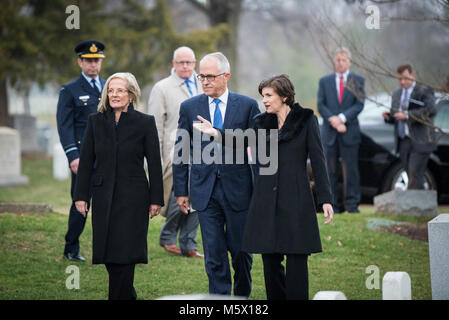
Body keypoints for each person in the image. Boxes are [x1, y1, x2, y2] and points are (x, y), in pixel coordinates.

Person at [195, 74, 334, 300]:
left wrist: (325, 199)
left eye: (269, 96)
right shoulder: (262, 122)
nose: (265, 101)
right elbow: (241, 140)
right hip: (266, 202)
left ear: (285, 96)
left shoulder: (306, 119)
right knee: (270, 260)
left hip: (296, 200)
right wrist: (216, 133)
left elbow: (318, 160)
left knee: (297, 258)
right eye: (263, 96)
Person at [172, 52, 260, 297]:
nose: (205, 81)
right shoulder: (190, 107)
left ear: (226, 76)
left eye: (211, 76)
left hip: (239, 189)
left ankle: (241, 298)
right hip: (205, 191)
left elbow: (258, 144)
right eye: (202, 76)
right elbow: (181, 152)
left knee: (241, 252)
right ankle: (219, 300)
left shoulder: (247, 106)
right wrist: (181, 191)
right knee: (213, 253)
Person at [73, 72, 164, 300]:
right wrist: (81, 196)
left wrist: (156, 199)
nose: (114, 95)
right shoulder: (95, 121)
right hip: (103, 197)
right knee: (109, 255)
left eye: (120, 90)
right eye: (111, 90)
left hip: (133, 198)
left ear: (131, 95)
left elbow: (154, 163)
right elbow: (85, 162)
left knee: (125, 254)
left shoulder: (145, 122)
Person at [147, 46, 203, 258]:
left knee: (199, 195)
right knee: (179, 195)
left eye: (189, 62)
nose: (185, 66)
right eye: (181, 62)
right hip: (174, 152)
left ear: (195, 63)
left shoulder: (202, 83)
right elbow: (155, 127)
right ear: (173, 64)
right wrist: (159, 158)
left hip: (202, 151)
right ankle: (169, 236)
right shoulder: (162, 88)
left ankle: (189, 243)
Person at [57, 40, 106, 262]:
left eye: (97, 60)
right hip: (82, 158)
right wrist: (72, 156)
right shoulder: (70, 90)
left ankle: (106, 249)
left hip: (106, 158)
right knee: (80, 204)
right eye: (89, 60)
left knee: (107, 204)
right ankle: (71, 248)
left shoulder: (108, 87)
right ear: (80, 62)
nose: (93, 65)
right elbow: (65, 125)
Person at [317, 47, 365, 213]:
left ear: (349, 62)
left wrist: (343, 118)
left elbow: (359, 104)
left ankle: (352, 205)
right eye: (338, 60)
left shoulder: (357, 81)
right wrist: (334, 120)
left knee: (350, 170)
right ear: (334, 62)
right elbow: (320, 105)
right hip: (329, 133)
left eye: (344, 60)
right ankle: (333, 206)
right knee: (330, 170)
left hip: (349, 132)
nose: (340, 63)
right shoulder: (325, 81)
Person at [382, 64, 437, 189]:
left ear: (413, 75)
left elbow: (431, 110)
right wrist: (389, 116)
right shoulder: (396, 93)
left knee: (415, 172)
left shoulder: (424, 90)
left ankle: (415, 206)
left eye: (405, 78)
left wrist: (407, 115)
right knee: (410, 173)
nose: (402, 82)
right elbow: (396, 116)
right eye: (400, 79)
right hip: (403, 141)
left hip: (421, 140)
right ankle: (420, 204)